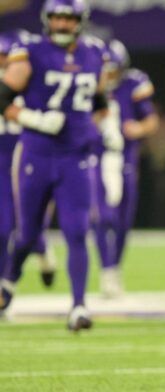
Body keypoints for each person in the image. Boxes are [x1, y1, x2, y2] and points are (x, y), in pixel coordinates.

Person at [0, 0, 110, 331]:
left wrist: (97, 127)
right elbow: (3, 97)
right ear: (48, 20)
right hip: (36, 153)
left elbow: (101, 103)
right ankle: (8, 281)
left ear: (80, 21)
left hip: (75, 156)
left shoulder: (94, 54)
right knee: (28, 233)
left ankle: (78, 306)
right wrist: (33, 117)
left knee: (78, 230)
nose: (62, 24)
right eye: (58, 17)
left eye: (69, 18)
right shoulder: (30, 50)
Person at [93, 38, 158, 298]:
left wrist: (138, 129)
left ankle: (114, 268)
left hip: (126, 158)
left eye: (113, 69)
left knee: (122, 220)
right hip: (96, 157)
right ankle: (107, 270)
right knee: (102, 216)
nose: (109, 75)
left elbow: (151, 120)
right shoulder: (88, 85)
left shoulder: (133, 83)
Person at [0, 30, 57, 291]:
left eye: (6, 56)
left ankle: (42, 249)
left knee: (28, 223)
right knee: (4, 228)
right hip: (3, 163)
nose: (3, 62)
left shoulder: (35, 84)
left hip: (27, 157)